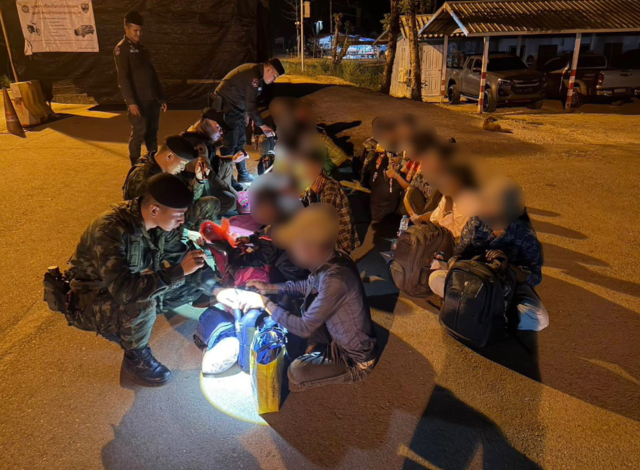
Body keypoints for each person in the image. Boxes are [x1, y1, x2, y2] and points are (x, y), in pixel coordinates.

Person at [65, 174, 217, 385]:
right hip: (91, 299)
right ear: (155, 210)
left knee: (193, 283)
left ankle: (135, 323)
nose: (182, 221)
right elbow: (124, 291)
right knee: (143, 304)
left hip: (130, 285)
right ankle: (135, 357)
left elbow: (180, 255)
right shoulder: (110, 230)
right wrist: (178, 271)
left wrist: (218, 288)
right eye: (179, 215)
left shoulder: (163, 224)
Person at [246, 203, 377, 391]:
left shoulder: (335, 279)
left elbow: (304, 327)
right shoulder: (331, 260)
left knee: (295, 373)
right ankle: (320, 349)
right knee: (307, 302)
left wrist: (264, 302)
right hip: (340, 337)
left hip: (355, 358)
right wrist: (268, 288)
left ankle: (348, 369)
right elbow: (305, 285)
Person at [429, 177, 549, 332]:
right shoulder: (476, 222)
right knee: (434, 278)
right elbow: (457, 255)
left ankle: (473, 310)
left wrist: (508, 266)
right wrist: (457, 271)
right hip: (473, 280)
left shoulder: (525, 234)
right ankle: (486, 313)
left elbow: (535, 277)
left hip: (505, 290)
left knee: (539, 319)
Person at [123, 135, 221, 233]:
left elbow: (186, 198)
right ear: (169, 156)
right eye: (182, 163)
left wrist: (199, 180)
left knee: (211, 203)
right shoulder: (144, 178)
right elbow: (143, 218)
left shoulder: (162, 168)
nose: (182, 168)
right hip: (152, 226)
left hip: (165, 216)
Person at [212, 58, 286, 183]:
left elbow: (246, 98)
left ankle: (243, 174)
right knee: (229, 144)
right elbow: (251, 105)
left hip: (236, 108)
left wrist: (246, 113)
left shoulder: (256, 74)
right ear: (269, 70)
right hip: (226, 108)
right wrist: (262, 126)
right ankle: (226, 179)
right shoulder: (254, 76)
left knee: (240, 141)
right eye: (274, 76)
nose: (274, 80)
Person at [114, 11, 166, 166]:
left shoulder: (143, 49)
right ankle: (134, 167)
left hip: (152, 99)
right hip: (138, 101)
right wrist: (131, 102)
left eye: (140, 31)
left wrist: (161, 97)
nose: (138, 34)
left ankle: (152, 163)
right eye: (135, 31)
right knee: (139, 133)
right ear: (126, 28)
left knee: (152, 133)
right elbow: (123, 78)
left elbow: (152, 75)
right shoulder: (121, 49)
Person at [298, 148, 359, 254]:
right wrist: (312, 193)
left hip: (338, 239)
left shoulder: (330, 187)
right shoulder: (314, 186)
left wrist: (312, 196)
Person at [182, 108, 238, 214]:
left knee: (226, 166)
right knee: (231, 201)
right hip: (192, 190)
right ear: (206, 123)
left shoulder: (200, 137)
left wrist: (232, 159)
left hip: (201, 183)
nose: (221, 132)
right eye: (218, 127)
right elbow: (209, 174)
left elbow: (215, 161)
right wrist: (234, 193)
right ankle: (195, 215)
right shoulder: (198, 144)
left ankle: (226, 193)